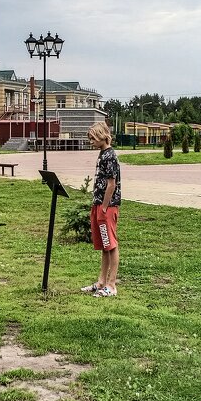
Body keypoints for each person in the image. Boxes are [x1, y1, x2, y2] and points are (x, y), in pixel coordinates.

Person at [81, 121, 120, 298]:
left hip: (107, 207)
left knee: (110, 244)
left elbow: (111, 185)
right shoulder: (102, 154)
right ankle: (101, 282)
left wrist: (104, 206)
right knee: (104, 245)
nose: (91, 142)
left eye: (93, 138)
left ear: (102, 136)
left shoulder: (110, 156)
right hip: (98, 205)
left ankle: (111, 285)